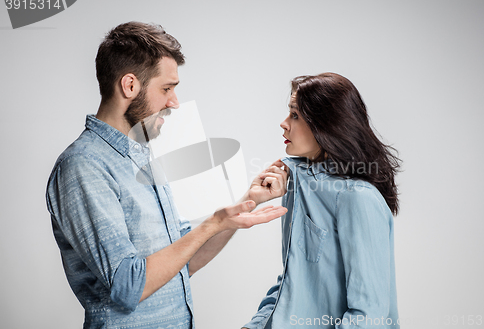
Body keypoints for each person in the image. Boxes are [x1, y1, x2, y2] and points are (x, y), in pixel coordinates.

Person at [45, 21, 288, 329]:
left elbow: (180, 264)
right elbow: (128, 286)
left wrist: (243, 206)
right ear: (130, 85)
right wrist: (210, 224)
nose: (174, 102)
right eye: (167, 89)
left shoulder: (142, 160)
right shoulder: (83, 166)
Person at [243, 73, 401, 329]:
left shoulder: (357, 198)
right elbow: (294, 280)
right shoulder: (297, 183)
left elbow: (367, 317)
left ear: (326, 124)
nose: (283, 124)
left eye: (295, 115)